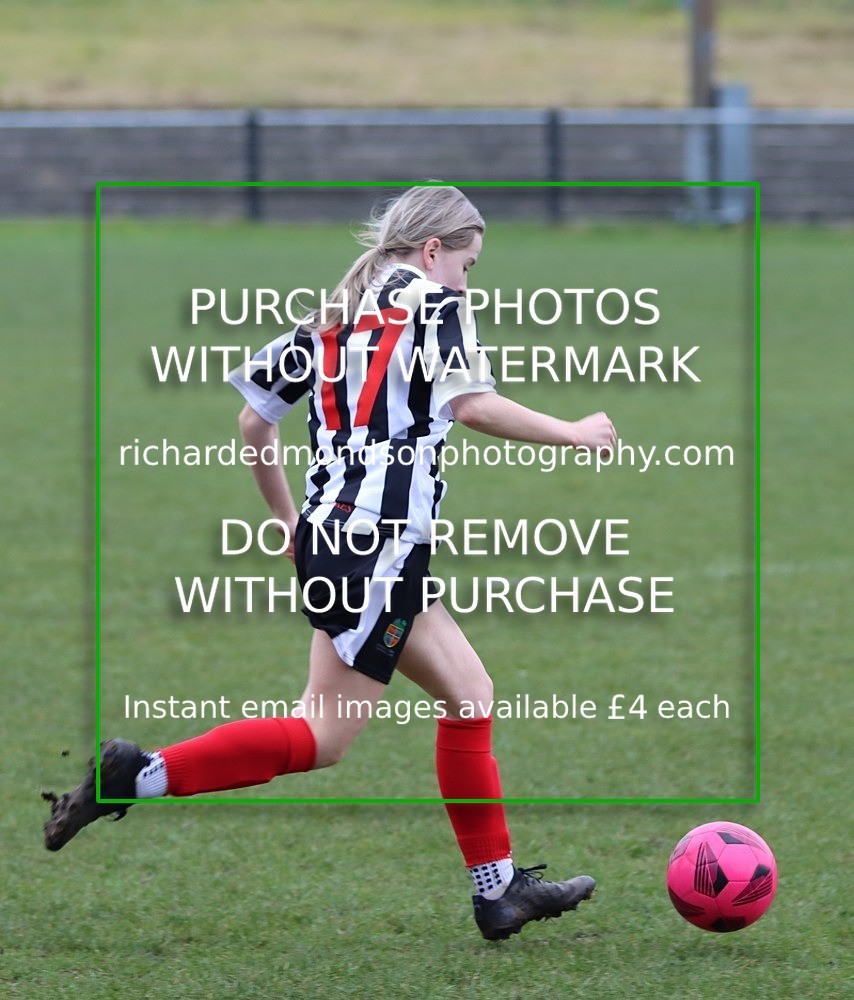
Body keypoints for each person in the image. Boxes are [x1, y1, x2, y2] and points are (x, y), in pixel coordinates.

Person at [43, 185, 616, 941]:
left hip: (345, 541)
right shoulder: (434, 305)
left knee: (470, 695)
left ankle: (499, 890)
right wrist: (574, 432)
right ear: (434, 250)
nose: (468, 283)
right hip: (375, 544)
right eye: (468, 265)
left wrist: (289, 519)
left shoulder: (332, 317)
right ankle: (136, 776)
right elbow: (474, 406)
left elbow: (253, 421)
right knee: (322, 736)